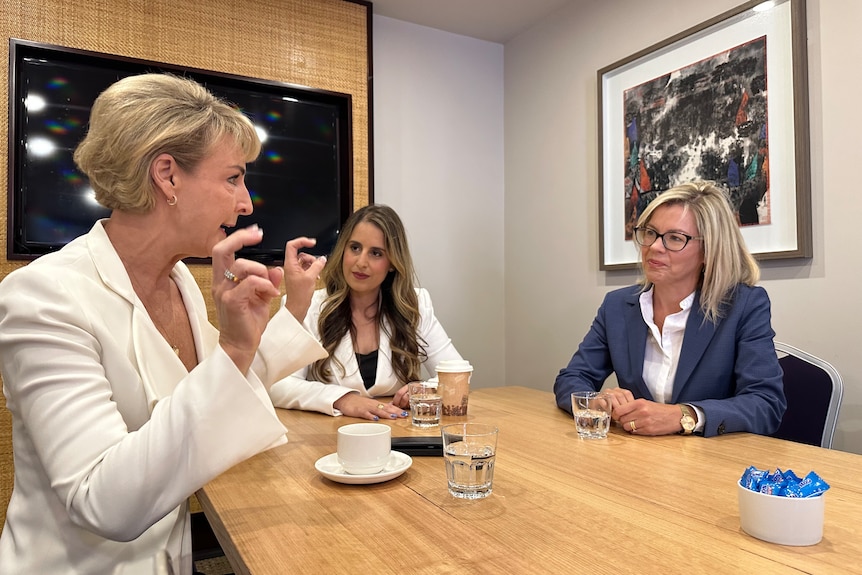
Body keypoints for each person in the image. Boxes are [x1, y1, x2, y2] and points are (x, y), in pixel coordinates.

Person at [0, 74, 329, 574]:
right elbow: (101, 499)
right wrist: (236, 352)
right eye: (233, 178)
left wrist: (266, 326)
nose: (247, 204)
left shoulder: (181, 283)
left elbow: (215, 396)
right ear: (168, 175)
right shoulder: (43, 296)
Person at [554, 181, 786, 437]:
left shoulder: (743, 305)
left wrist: (685, 416)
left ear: (709, 251)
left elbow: (766, 404)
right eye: (650, 233)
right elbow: (571, 378)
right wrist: (597, 400)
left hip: (711, 461)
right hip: (638, 455)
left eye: (675, 238)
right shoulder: (618, 306)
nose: (654, 246)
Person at [268, 204, 462, 420]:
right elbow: (277, 384)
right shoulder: (309, 306)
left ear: (392, 263)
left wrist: (426, 389)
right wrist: (343, 399)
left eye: (376, 253)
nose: (361, 262)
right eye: (355, 248)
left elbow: (458, 372)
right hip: (329, 436)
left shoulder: (414, 305)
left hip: (397, 432)